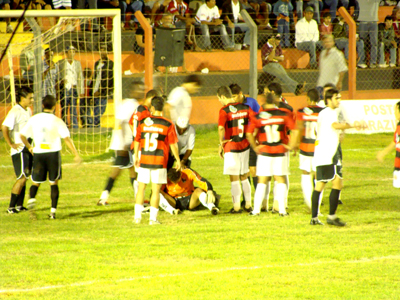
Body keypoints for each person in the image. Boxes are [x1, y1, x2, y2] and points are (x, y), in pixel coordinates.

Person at [19, 95, 82, 219]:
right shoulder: (57, 120)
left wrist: (30, 147)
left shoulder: (34, 119)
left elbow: (22, 135)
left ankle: (32, 200)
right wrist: (76, 154)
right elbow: (66, 139)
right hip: (53, 154)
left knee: (35, 182)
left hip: (39, 153)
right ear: (54, 106)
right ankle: (52, 212)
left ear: (42, 105)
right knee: (53, 183)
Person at [310, 88, 356, 226]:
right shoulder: (329, 112)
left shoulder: (324, 113)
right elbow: (335, 125)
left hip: (325, 153)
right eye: (336, 98)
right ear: (328, 100)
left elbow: (320, 130)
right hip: (328, 154)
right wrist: (353, 125)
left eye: (340, 97)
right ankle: (328, 217)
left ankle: (320, 217)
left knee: (330, 183)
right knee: (328, 184)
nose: (339, 100)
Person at [246, 93, 298, 216]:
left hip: (265, 151)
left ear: (264, 102)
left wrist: (255, 146)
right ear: (275, 101)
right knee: (280, 179)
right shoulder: (283, 114)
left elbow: (249, 133)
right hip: (279, 150)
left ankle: (256, 210)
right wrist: (290, 146)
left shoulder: (259, 116)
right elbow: (295, 129)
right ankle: (282, 211)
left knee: (262, 180)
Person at [133, 96, 181, 225]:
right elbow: (173, 144)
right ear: (163, 108)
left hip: (145, 159)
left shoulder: (143, 122)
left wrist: (136, 156)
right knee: (156, 190)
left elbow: (137, 139)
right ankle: (152, 219)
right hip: (159, 162)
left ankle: (137, 217)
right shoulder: (168, 124)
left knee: (141, 188)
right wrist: (178, 159)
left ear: (152, 108)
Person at [98, 82, 144, 206]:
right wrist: (124, 142)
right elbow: (120, 123)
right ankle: (104, 198)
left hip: (126, 143)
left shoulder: (129, 103)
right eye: (140, 89)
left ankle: (105, 197)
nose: (142, 92)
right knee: (124, 171)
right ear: (133, 91)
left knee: (131, 170)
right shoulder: (130, 105)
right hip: (124, 144)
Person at [217, 86, 252, 213]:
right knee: (244, 176)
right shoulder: (245, 107)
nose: (220, 102)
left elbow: (221, 128)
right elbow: (254, 121)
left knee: (234, 178)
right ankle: (248, 205)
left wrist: (221, 143)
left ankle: (236, 207)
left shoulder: (224, 111)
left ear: (222, 97)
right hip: (244, 145)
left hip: (231, 146)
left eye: (219, 99)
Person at [2, 87, 34, 214]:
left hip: (27, 148)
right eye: (30, 98)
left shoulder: (28, 110)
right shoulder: (15, 111)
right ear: (22, 98)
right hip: (20, 150)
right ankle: (11, 207)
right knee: (21, 177)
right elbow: (4, 126)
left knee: (25, 177)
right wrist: (11, 143)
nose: (32, 100)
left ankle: (19, 205)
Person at [296, 88, 324, 211]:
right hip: (319, 148)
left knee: (305, 174)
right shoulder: (323, 112)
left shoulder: (301, 111)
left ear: (308, 98)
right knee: (319, 176)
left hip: (305, 147)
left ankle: (309, 203)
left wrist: (295, 144)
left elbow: (298, 129)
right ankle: (316, 205)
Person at [229, 83, 260, 193]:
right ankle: (246, 200)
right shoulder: (231, 107)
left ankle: (258, 197)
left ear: (240, 94)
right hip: (239, 142)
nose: (232, 99)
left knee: (253, 169)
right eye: (231, 97)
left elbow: (259, 118)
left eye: (234, 96)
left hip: (250, 140)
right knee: (243, 172)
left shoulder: (252, 103)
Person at [55, 45, 84, 128]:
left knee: (73, 109)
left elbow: (80, 77)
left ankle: (74, 126)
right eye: (70, 51)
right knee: (64, 109)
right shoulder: (60, 63)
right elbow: (57, 75)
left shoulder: (77, 63)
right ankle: (64, 126)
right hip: (65, 88)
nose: (72, 53)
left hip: (74, 87)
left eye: (73, 51)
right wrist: (61, 80)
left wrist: (81, 91)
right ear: (66, 53)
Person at [377, 101, 400, 188]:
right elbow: (395, 141)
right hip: (398, 163)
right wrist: (383, 153)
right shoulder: (398, 125)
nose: (394, 113)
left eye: (396, 110)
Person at [90, 45, 114, 127]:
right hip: (94, 91)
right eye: (101, 50)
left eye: (104, 50)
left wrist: (100, 91)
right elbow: (94, 78)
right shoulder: (97, 63)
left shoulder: (110, 64)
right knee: (95, 112)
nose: (102, 52)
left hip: (102, 93)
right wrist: (91, 91)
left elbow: (108, 80)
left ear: (107, 52)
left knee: (99, 111)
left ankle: (94, 127)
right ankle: (96, 127)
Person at [358, 0, 380, 68]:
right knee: (361, 42)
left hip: (373, 21)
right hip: (363, 21)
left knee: (374, 43)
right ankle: (361, 61)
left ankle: (373, 62)